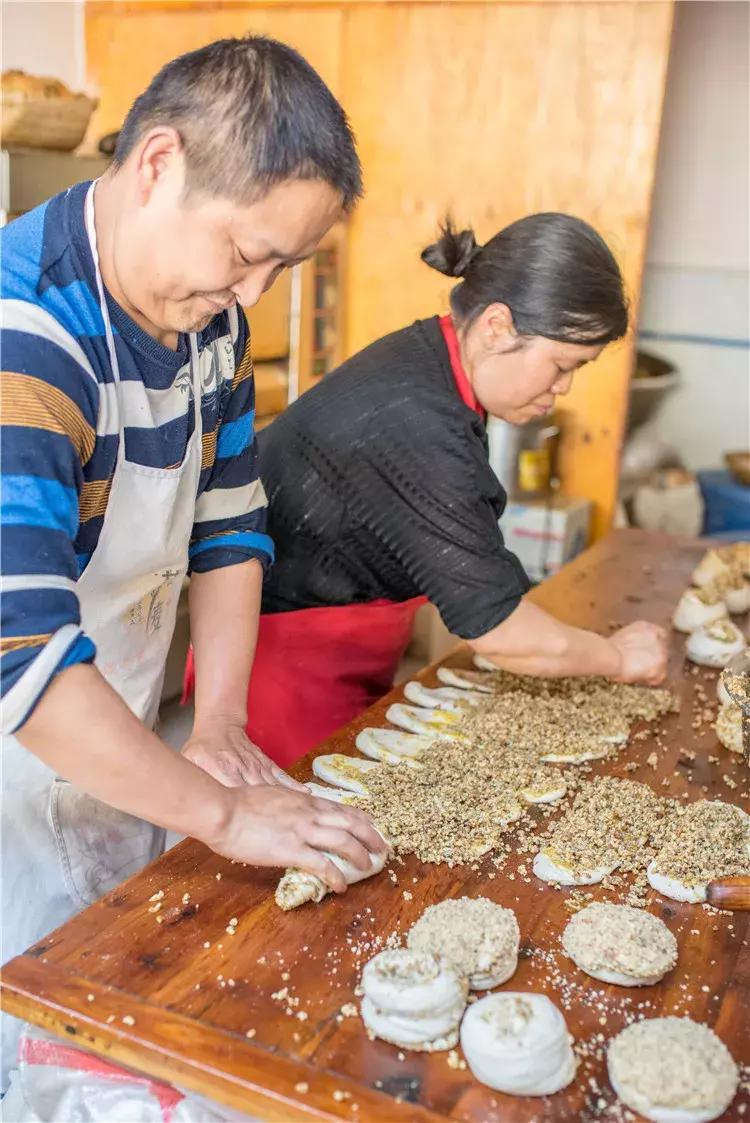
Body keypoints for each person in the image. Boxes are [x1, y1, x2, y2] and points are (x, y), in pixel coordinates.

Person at [0, 36, 385, 1085]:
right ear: (159, 163)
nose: (251, 290)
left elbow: (227, 527)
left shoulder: (204, 327)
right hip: (15, 765)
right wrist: (222, 812)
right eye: (244, 250)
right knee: (34, 1039)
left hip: (118, 743)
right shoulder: (25, 341)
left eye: (281, 266)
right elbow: (20, 658)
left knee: (115, 1015)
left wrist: (216, 729)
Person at [210, 213, 668, 766]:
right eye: (562, 365)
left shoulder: (432, 359)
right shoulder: (420, 422)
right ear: (498, 326)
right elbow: (498, 630)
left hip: (333, 638)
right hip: (282, 668)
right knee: (297, 827)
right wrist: (616, 658)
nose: (563, 388)